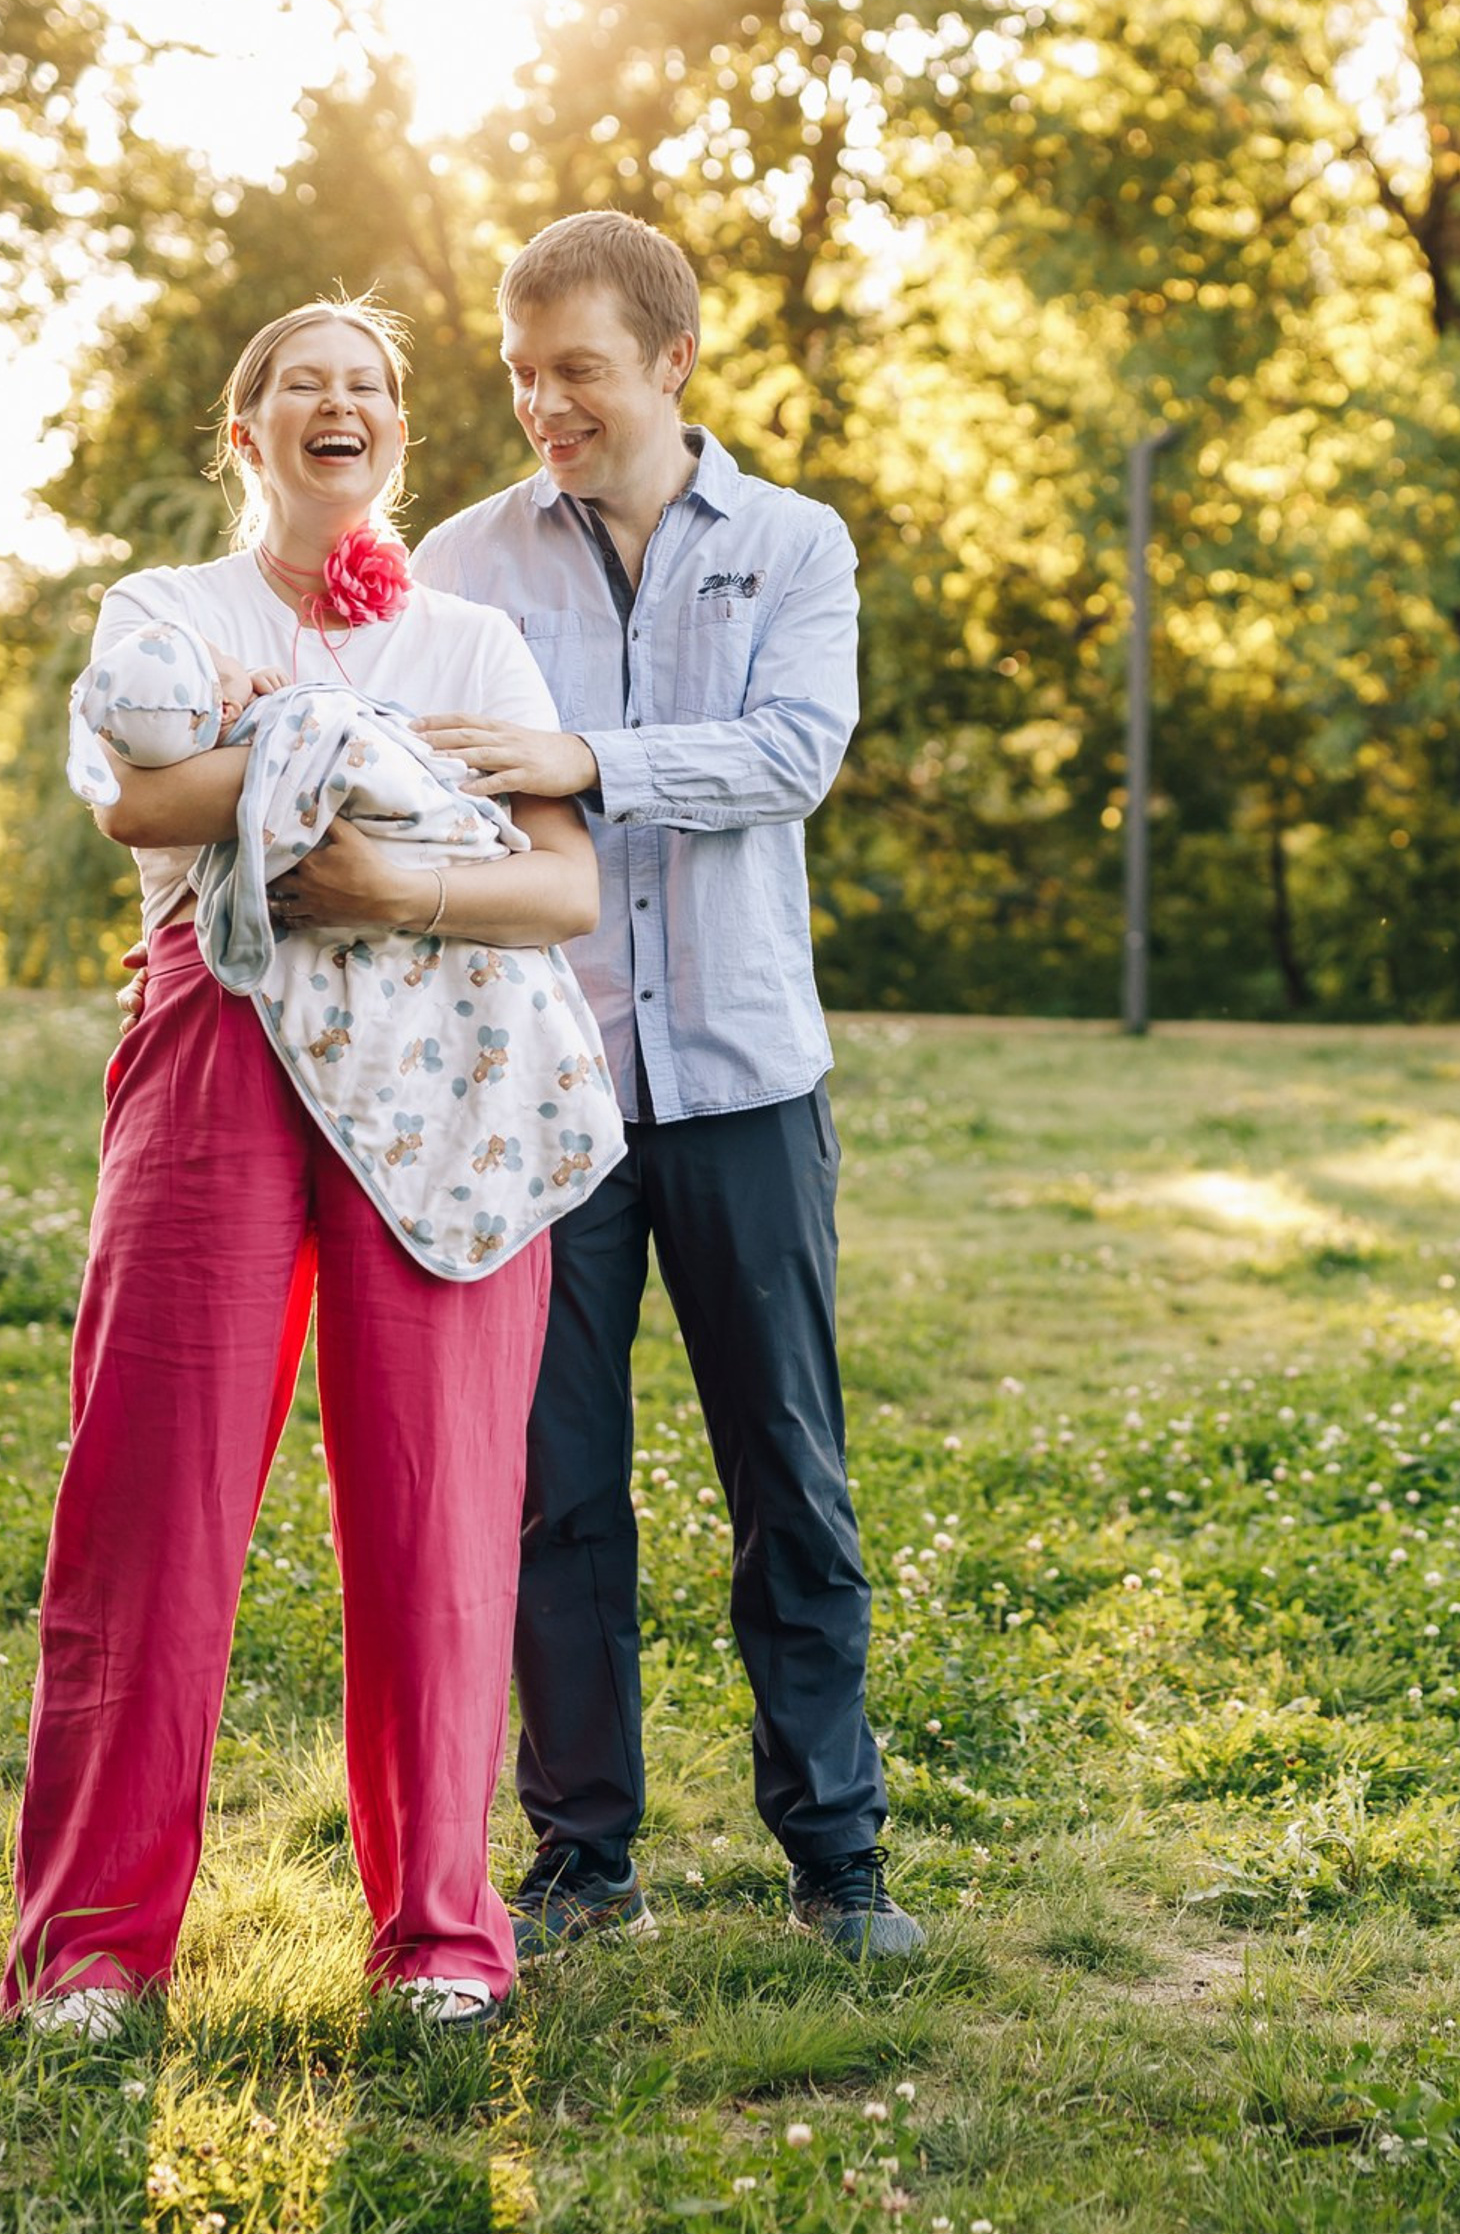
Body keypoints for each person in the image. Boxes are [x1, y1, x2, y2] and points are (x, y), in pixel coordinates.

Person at [9, 298, 602, 2035]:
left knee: (439, 1503)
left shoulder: (474, 639)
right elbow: (138, 802)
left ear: (398, 434)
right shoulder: (167, 610)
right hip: (221, 1041)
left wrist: (329, 795)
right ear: (247, 428)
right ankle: (92, 1947)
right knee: (152, 1500)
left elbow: (560, 887)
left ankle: (442, 1937)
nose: (339, 404)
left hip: (449, 1064)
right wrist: (354, 753)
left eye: (370, 387)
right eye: (302, 384)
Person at [410, 211, 920, 1962]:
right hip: (538, 1092)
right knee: (556, 1487)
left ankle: (837, 1855)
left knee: (791, 1471)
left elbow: (793, 754)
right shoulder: (461, 564)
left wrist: (581, 760)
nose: (544, 404)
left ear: (674, 362)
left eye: (580, 371)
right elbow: (390, 775)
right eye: (521, 373)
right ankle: (584, 1860)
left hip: (746, 1079)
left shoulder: (793, 544)